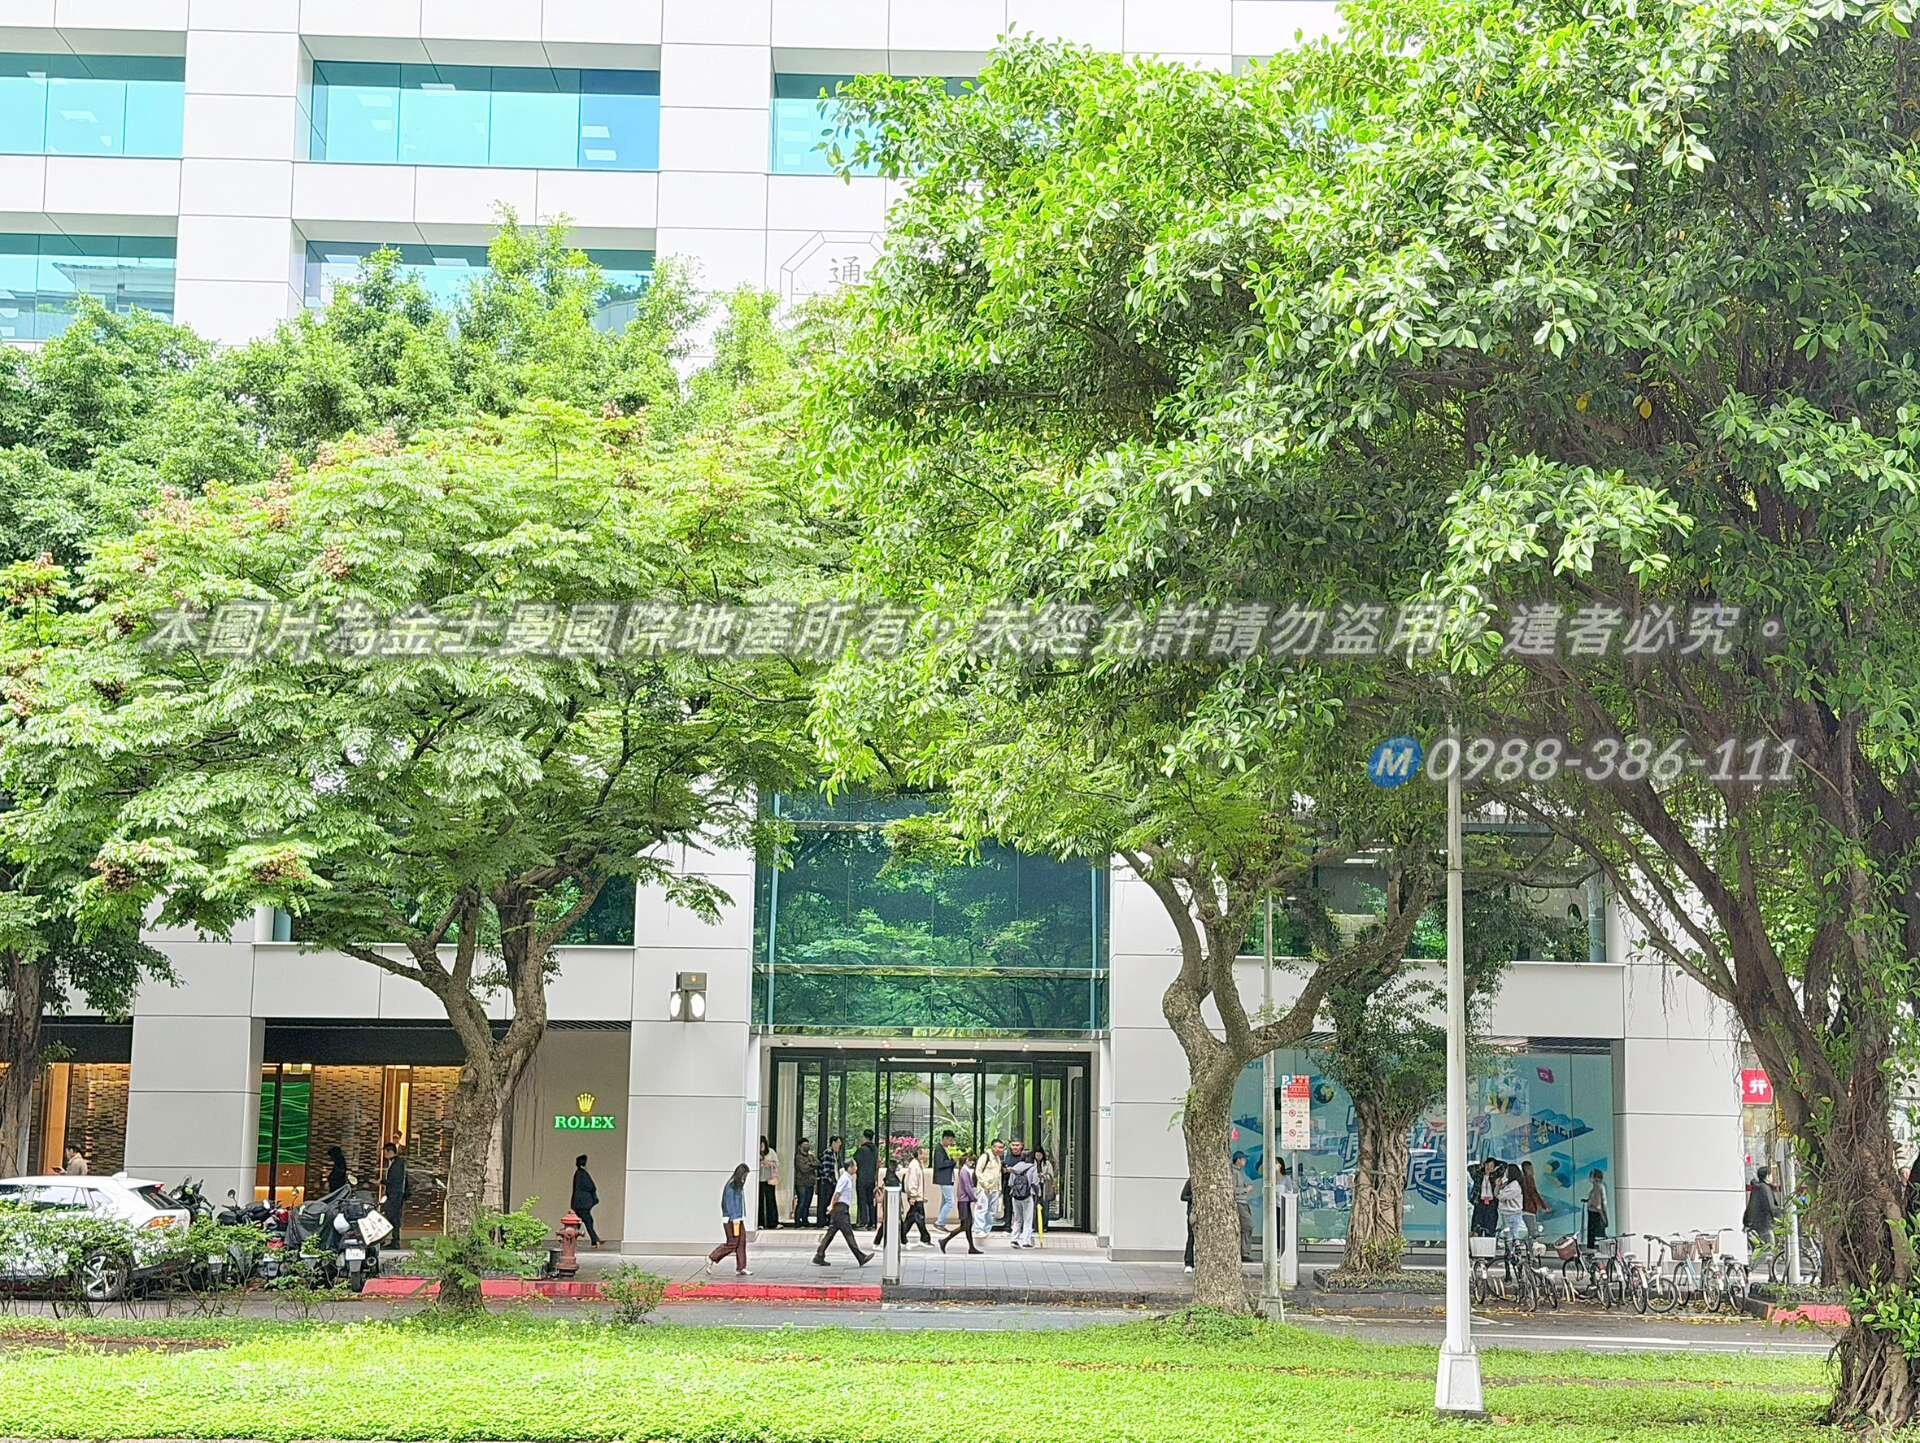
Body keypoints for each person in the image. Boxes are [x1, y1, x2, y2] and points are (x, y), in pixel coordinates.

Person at [813, 1158, 873, 1268]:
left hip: (840, 1209)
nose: (856, 1168)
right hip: (840, 1209)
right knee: (848, 1233)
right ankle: (860, 1257)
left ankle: (819, 1254)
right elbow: (837, 1193)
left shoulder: (848, 1178)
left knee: (831, 1233)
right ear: (850, 1167)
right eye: (855, 1166)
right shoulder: (844, 1179)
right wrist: (831, 1205)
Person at [707, 1163, 751, 1275]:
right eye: (744, 1175)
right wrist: (735, 1218)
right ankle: (712, 1257)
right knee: (733, 1243)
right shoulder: (731, 1186)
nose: (745, 1178)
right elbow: (730, 1204)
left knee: (741, 1242)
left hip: (738, 1218)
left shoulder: (738, 1185)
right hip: (732, 1220)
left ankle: (741, 1267)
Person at [939, 1151, 982, 1254]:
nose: (972, 1163)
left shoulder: (964, 1170)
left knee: (967, 1225)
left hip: (964, 1201)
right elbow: (967, 1187)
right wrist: (974, 1198)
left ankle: (971, 1247)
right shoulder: (964, 1171)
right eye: (971, 1161)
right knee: (965, 1225)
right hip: (964, 1201)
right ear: (967, 1160)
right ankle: (945, 1240)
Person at [1006, 1143, 1040, 1248]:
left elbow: (1010, 1183)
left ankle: (1014, 1239)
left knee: (1017, 1219)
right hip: (1027, 1196)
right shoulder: (1032, 1168)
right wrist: (1038, 1194)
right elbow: (1034, 1182)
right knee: (1028, 1219)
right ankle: (1026, 1241)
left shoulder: (1015, 1168)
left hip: (1015, 1196)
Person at [899, 1147, 931, 1246]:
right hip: (915, 1197)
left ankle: (902, 1236)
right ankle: (925, 1238)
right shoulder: (914, 1166)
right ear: (919, 1154)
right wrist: (913, 1196)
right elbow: (913, 1182)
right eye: (924, 1153)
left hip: (917, 1196)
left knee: (912, 1218)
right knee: (918, 1218)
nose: (926, 1156)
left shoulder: (917, 1164)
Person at [381, 1140, 409, 1242]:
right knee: (391, 1217)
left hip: (395, 1196)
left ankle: (394, 1240)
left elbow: (395, 1181)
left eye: (385, 1152)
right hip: (394, 1195)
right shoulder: (396, 1163)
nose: (384, 1155)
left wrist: (382, 1182)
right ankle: (391, 1239)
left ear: (390, 1152)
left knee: (392, 1217)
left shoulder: (398, 1164)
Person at [975, 1141, 1003, 1241]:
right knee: (982, 1209)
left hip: (995, 1189)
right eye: (998, 1147)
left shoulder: (998, 1159)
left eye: (1002, 1147)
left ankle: (986, 1230)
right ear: (993, 1147)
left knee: (992, 1211)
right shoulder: (985, 1157)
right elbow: (978, 1171)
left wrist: (999, 1188)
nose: (1000, 1150)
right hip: (984, 1189)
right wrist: (985, 1184)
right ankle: (979, 1229)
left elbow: (998, 1174)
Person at [571, 1153, 601, 1247]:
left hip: (579, 1204)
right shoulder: (582, 1174)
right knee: (588, 1222)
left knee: (579, 1223)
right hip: (583, 1204)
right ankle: (594, 1240)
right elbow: (590, 1186)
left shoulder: (578, 1174)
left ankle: (571, 1240)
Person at [1230, 1150, 1254, 1262]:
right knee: (1248, 1226)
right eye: (1243, 1159)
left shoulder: (1240, 1172)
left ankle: (1243, 1251)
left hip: (1243, 1203)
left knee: (1245, 1227)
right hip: (1239, 1203)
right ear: (1238, 1160)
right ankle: (1244, 1252)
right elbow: (1232, 1190)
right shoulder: (1234, 1172)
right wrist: (1245, 1190)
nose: (1245, 1161)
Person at [873, 1151, 900, 1249]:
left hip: (890, 1202)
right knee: (887, 1222)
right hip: (891, 1202)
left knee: (888, 1222)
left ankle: (901, 1240)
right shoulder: (892, 1178)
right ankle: (877, 1241)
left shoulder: (889, 1176)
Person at [1470, 1154, 1501, 1238]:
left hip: (1492, 1203)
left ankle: (1489, 1239)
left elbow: (1504, 1166)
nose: (1488, 1167)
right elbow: (1470, 1168)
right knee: (1477, 1223)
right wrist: (1481, 1165)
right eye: (1487, 1165)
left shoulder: (1495, 1176)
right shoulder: (1479, 1175)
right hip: (1480, 1202)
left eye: (1491, 1166)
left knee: (1490, 1224)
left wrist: (1495, 1169)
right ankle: (1476, 1240)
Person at [1745, 1165, 1779, 1240]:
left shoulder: (1757, 1188)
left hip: (1756, 1226)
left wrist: (1747, 1222)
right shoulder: (1765, 1189)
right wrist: (1780, 1215)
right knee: (1769, 1245)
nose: (1772, 1177)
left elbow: (1751, 1206)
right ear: (1767, 1176)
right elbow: (1771, 1207)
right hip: (1766, 1225)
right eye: (1771, 1175)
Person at [1496, 1163, 1526, 1246]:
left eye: (1507, 1170)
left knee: (1512, 1235)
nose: (1505, 1172)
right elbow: (1497, 1195)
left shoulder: (1514, 1185)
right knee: (1509, 1235)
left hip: (1512, 1213)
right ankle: (1512, 1249)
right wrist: (1498, 1185)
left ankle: (1514, 1250)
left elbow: (1501, 1197)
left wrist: (1499, 1192)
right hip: (1507, 1213)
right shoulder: (1509, 1184)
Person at [933, 1130, 958, 1228]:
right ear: (945, 1138)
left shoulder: (946, 1149)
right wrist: (952, 1161)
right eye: (950, 1140)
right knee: (950, 1202)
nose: (951, 1142)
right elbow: (940, 1164)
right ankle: (939, 1222)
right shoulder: (939, 1149)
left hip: (947, 1178)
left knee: (945, 1201)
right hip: (944, 1178)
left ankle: (940, 1222)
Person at [855, 1130, 879, 1229]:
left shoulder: (862, 1150)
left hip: (862, 1178)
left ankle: (863, 1221)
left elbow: (855, 1162)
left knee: (862, 1200)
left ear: (864, 1137)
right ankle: (872, 1222)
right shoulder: (875, 1149)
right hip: (871, 1179)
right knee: (870, 1201)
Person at [1518, 1160, 1547, 1242]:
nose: (1533, 1170)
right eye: (1531, 1168)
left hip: (1523, 1207)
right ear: (1528, 1169)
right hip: (1529, 1207)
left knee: (1528, 1228)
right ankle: (1532, 1247)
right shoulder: (1529, 1178)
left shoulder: (1521, 1179)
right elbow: (1533, 1192)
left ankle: (1528, 1245)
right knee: (1532, 1230)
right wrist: (1543, 1206)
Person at [818, 1136, 844, 1224]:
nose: (839, 1146)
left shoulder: (835, 1154)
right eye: (838, 1144)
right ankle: (822, 1221)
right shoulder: (828, 1153)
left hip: (832, 1181)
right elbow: (826, 1169)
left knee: (830, 1200)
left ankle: (828, 1220)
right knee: (825, 1201)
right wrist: (831, 1180)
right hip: (827, 1181)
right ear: (833, 1143)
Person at [791, 1138, 816, 1227]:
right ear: (800, 1146)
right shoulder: (798, 1157)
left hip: (810, 1182)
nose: (807, 1146)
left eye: (808, 1144)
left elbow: (818, 1163)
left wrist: (810, 1164)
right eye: (805, 1145)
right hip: (801, 1183)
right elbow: (803, 1169)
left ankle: (805, 1220)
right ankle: (797, 1221)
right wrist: (812, 1165)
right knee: (801, 1202)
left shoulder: (811, 1156)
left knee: (807, 1203)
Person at [757, 1136, 779, 1230]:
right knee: (760, 1202)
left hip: (769, 1180)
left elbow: (777, 1164)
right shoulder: (755, 1152)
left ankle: (773, 1222)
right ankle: (760, 1222)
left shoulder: (771, 1152)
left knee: (771, 1200)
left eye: (763, 1144)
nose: (761, 1146)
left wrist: (768, 1163)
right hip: (759, 1180)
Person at [1034, 1147, 1058, 1234]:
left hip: (1045, 1187)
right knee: (1034, 1208)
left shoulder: (1047, 1163)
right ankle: (1035, 1226)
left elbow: (1051, 1176)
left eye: (1040, 1155)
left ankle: (1044, 1226)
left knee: (1045, 1207)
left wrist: (1043, 1176)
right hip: (1035, 1187)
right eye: (1037, 1155)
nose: (1038, 1156)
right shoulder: (1032, 1163)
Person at [1585, 1168, 1609, 1248]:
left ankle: (1593, 1248)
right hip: (1594, 1211)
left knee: (1593, 1233)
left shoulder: (1598, 1187)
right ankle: (1592, 1247)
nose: (1590, 1178)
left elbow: (1598, 1204)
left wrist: (1603, 1216)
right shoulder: (1597, 1186)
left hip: (1595, 1212)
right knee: (1593, 1233)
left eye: (1591, 1176)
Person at [1181, 1176, 1196, 1273]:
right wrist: (1192, 1197)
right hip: (1193, 1213)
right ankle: (1188, 1262)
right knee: (1191, 1237)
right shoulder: (1191, 1181)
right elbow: (1183, 1196)